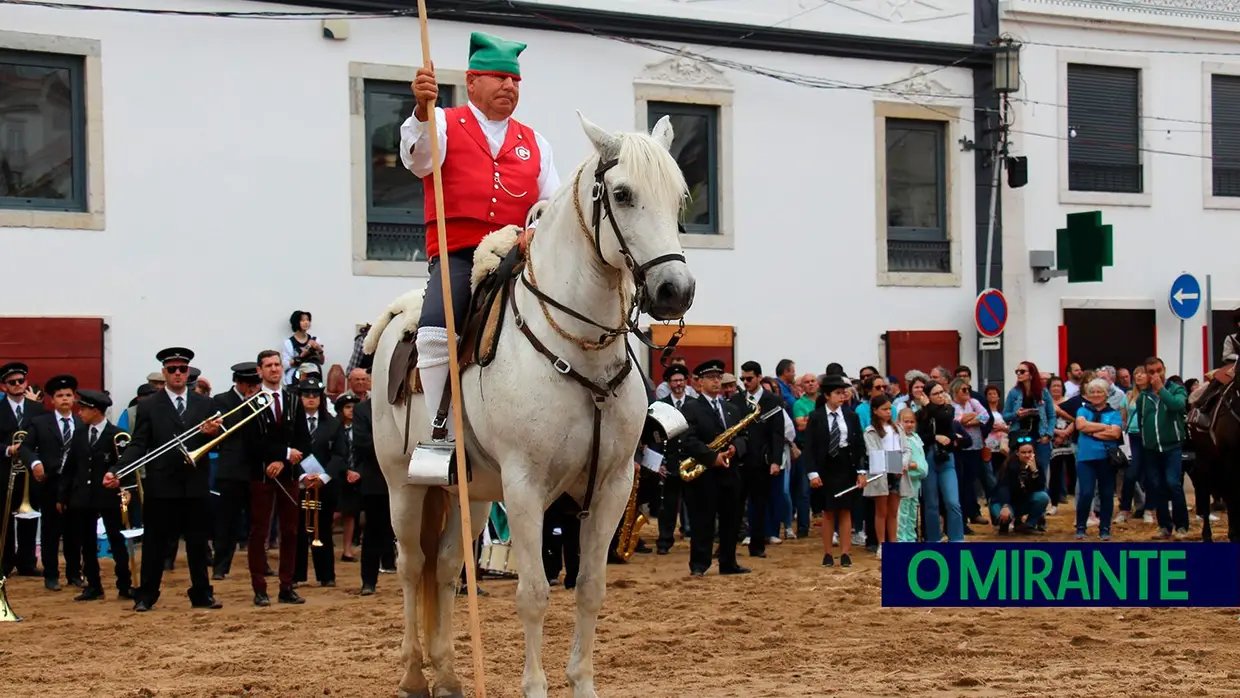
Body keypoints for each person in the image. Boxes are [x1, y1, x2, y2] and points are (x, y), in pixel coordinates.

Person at [400, 31, 561, 445]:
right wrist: (420, 109)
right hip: (459, 254)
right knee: (436, 331)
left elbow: (551, 205)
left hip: (517, 253)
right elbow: (418, 161)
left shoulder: (536, 143)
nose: (509, 85)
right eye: (498, 77)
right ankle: (442, 430)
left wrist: (534, 233)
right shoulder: (441, 121)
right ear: (472, 81)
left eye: (515, 80)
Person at [107, 347, 224, 612]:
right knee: (155, 543)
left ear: (188, 372)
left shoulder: (205, 404)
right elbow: (139, 444)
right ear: (164, 372)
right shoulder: (149, 405)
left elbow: (217, 443)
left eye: (182, 369)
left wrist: (210, 433)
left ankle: (202, 593)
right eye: (172, 369)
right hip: (162, 484)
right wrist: (119, 469)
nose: (178, 374)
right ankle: (147, 595)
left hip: (195, 484)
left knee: (197, 542)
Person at [58, 389, 132, 601]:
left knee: (117, 541)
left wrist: (122, 486)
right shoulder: (80, 433)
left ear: (96, 411)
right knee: (87, 543)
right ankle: (93, 584)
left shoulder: (116, 435)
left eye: (83, 409)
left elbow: (125, 465)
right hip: (83, 496)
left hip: (108, 496)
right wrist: (62, 497)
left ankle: (124, 584)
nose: (79, 412)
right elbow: (71, 467)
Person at [677, 359, 750, 577]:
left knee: (731, 519)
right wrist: (712, 457)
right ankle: (699, 564)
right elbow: (688, 439)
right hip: (704, 473)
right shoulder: (690, 407)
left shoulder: (732, 409)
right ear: (699, 382)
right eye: (711, 378)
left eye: (718, 377)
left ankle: (729, 562)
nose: (716, 381)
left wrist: (735, 449)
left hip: (730, 471)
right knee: (703, 520)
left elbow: (744, 436)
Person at [18, 373, 85, 591]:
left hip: (75, 485)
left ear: (74, 398)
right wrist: (35, 463)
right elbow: (26, 448)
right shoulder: (40, 422)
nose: (64, 399)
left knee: (74, 531)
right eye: (59, 395)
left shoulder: (82, 421)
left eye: (68, 395)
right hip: (50, 484)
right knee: (51, 532)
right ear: (52, 400)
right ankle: (51, 575)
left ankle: (74, 573)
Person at [291, 375, 350, 588]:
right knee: (298, 529)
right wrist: (301, 476)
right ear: (300, 398)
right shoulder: (292, 425)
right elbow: (288, 452)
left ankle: (326, 575)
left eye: (315, 395)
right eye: (306, 395)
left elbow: (340, 455)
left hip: (325, 485)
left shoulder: (333, 424)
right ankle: (296, 575)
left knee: (322, 529)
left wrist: (323, 477)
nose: (311, 399)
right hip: (299, 484)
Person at [804, 374, 865, 567]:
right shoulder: (816, 416)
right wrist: (812, 473)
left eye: (844, 393)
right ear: (828, 395)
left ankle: (846, 553)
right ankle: (828, 553)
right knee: (828, 511)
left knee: (846, 510)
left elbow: (858, 446)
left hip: (846, 465)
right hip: (825, 467)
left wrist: (861, 471)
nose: (842, 396)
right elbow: (809, 447)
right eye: (838, 393)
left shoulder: (851, 416)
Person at [1074, 378, 1124, 541]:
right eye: (1092, 392)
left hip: (1106, 457)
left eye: (1099, 391)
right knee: (1086, 493)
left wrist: (1092, 430)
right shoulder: (1083, 410)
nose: (1096, 395)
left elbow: (1116, 433)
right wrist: (1104, 428)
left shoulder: (1114, 413)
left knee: (1106, 494)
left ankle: (1104, 529)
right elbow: (1080, 426)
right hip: (1086, 458)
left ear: (1106, 394)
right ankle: (1081, 527)